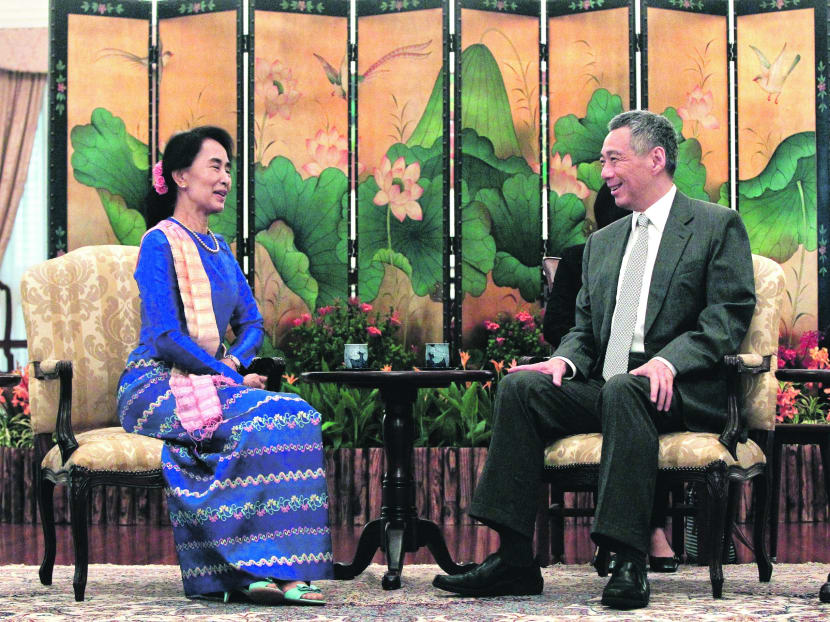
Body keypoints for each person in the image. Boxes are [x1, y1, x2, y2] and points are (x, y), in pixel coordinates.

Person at [433, 110, 756, 609]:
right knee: (522, 387)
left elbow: (726, 317)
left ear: (656, 159)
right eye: (603, 161)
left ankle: (629, 560)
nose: (603, 173)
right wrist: (563, 362)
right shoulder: (603, 244)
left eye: (613, 159)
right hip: (610, 384)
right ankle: (515, 560)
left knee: (626, 387)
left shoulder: (716, 225)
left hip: (679, 389)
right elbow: (584, 330)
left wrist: (668, 362)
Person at [117, 126, 332, 605]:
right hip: (155, 385)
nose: (225, 178)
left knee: (296, 414)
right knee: (266, 417)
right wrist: (230, 376)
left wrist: (232, 362)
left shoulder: (220, 248)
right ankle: (239, 571)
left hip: (210, 378)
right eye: (214, 166)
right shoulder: (159, 244)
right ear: (180, 176)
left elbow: (251, 322)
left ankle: (280, 569)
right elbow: (166, 336)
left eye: (228, 169)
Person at [543, 184, 678, 571]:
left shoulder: (667, 253)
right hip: (593, 370)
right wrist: (585, 354)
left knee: (634, 397)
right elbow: (559, 325)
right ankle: (514, 556)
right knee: (614, 392)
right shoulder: (582, 256)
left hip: (648, 374)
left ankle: (641, 533)